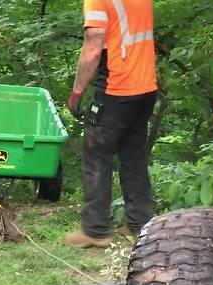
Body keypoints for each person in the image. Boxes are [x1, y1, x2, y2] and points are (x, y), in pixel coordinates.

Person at [64, 0, 158, 249]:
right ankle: (140, 226)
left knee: (96, 155)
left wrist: (77, 91)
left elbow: (94, 46)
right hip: (146, 86)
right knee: (134, 156)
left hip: (117, 87)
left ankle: (95, 230)